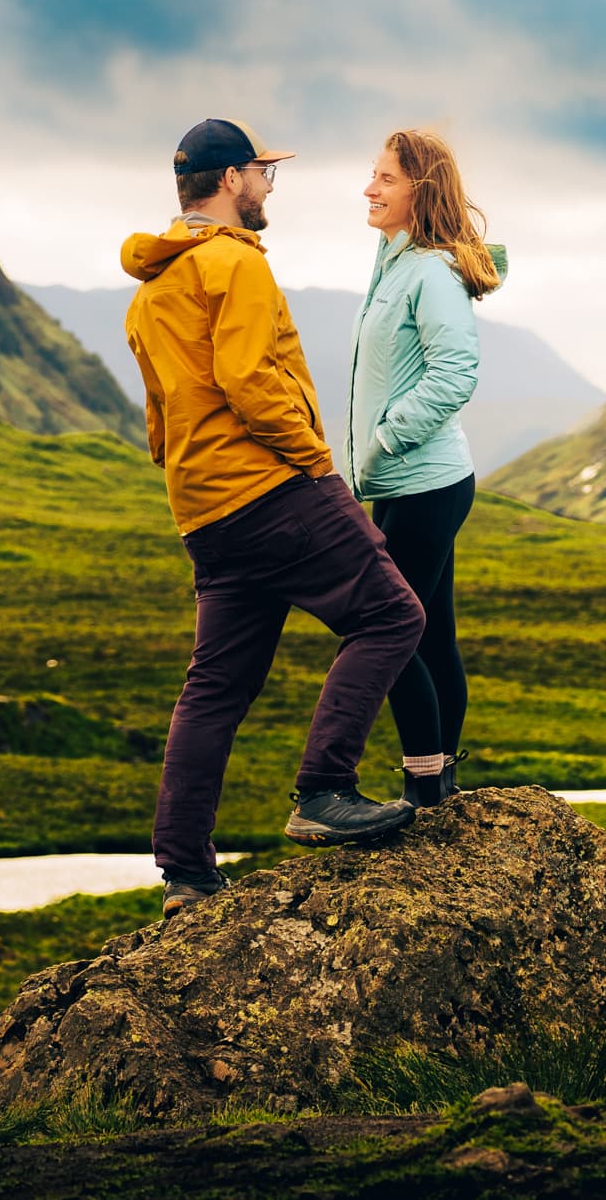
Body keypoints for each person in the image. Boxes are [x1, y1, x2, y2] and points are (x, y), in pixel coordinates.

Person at [123, 117, 427, 917]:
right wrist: (315, 462)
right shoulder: (235, 266)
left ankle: (186, 873)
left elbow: (159, 420)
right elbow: (248, 377)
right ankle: (325, 789)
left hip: (205, 511)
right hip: (274, 487)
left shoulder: (152, 288)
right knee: (395, 616)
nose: (266, 188)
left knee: (215, 688)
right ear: (230, 180)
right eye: (263, 173)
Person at [346, 129, 504, 808]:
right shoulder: (394, 260)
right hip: (408, 484)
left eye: (384, 177)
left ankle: (424, 781)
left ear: (420, 189)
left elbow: (454, 373)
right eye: (372, 175)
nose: (369, 188)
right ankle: (438, 782)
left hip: (425, 482)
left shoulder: (431, 271)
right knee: (430, 628)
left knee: (386, 624)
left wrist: (383, 441)